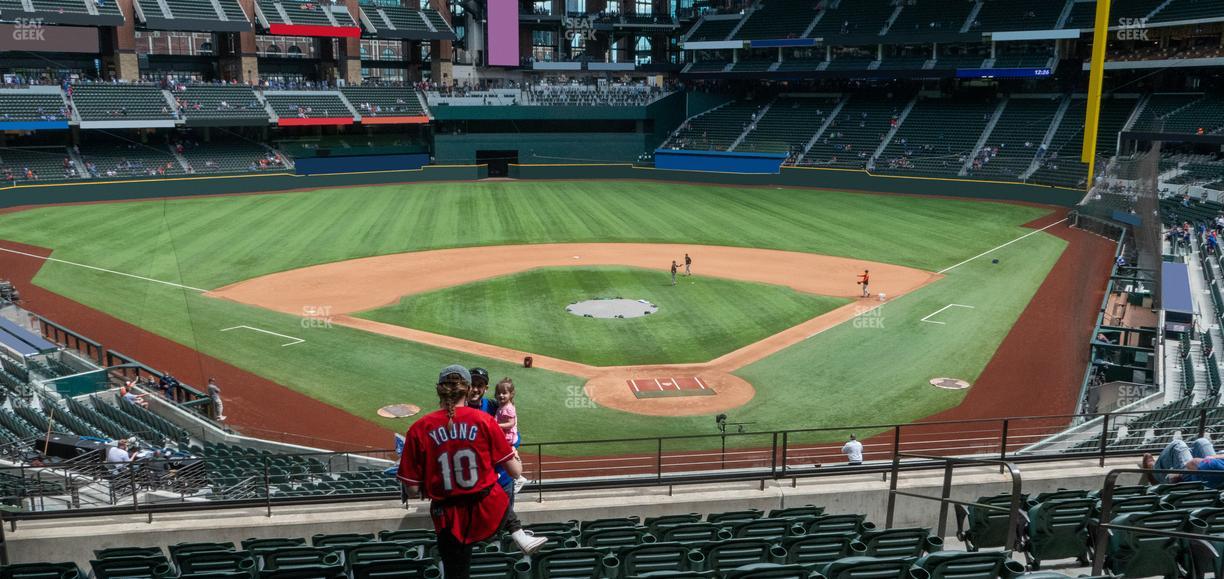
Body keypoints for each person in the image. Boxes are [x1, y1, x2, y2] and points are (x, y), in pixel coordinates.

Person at [398, 365, 546, 578]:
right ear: (467, 390)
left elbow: (412, 490)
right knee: (495, 487)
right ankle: (518, 534)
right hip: (487, 510)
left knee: (456, 573)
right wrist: (514, 453)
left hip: (447, 517)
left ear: (439, 389)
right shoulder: (485, 420)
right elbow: (515, 472)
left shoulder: (418, 429)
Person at [1141, 436, 1223, 487]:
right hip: (1216, 479)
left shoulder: (1214, 466)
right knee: (1202, 442)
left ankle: (1155, 474)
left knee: (1178, 445)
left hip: (1192, 481)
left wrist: (1210, 459)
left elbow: (1192, 464)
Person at [494, 378, 530, 494]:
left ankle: (518, 478)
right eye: (499, 393)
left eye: (504, 393)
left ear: (511, 394)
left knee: (505, 455)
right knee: (509, 454)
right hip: (506, 435)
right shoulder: (503, 405)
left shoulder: (508, 408)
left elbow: (511, 423)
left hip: (508, 436)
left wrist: (497, 425)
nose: (501, 395)